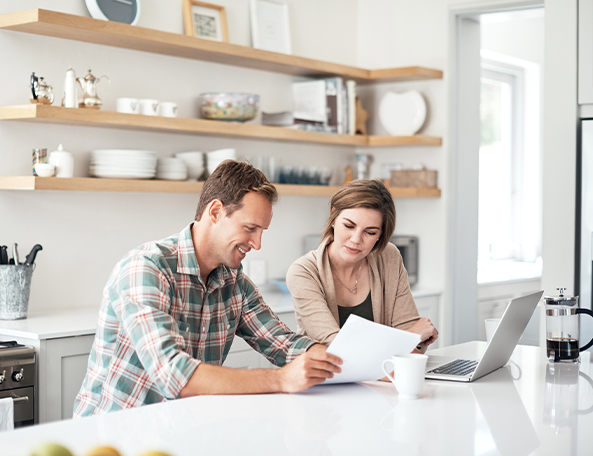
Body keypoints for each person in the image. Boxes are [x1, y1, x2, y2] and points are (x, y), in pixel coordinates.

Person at [74, 161, 342, 417]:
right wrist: (281, 379)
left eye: (262, 231)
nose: (257, 243)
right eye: (250, 228)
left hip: (181, 430)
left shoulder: (234, 282)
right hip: (113, 435)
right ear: (215, 211)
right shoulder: (147, 268)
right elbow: (173, 373)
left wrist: (326, 358)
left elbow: (284, 344)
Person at [286, 179, 438, 349]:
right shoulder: (303, 272)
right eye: (349, 226)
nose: (356, 240)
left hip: (381, 374)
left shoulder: (389, 257)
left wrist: (411, 337)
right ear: (334, 217)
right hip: (326, 375)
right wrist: (409, 336)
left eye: (370, 232)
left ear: (381, 234)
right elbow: (337, 346)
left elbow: (418, 345)